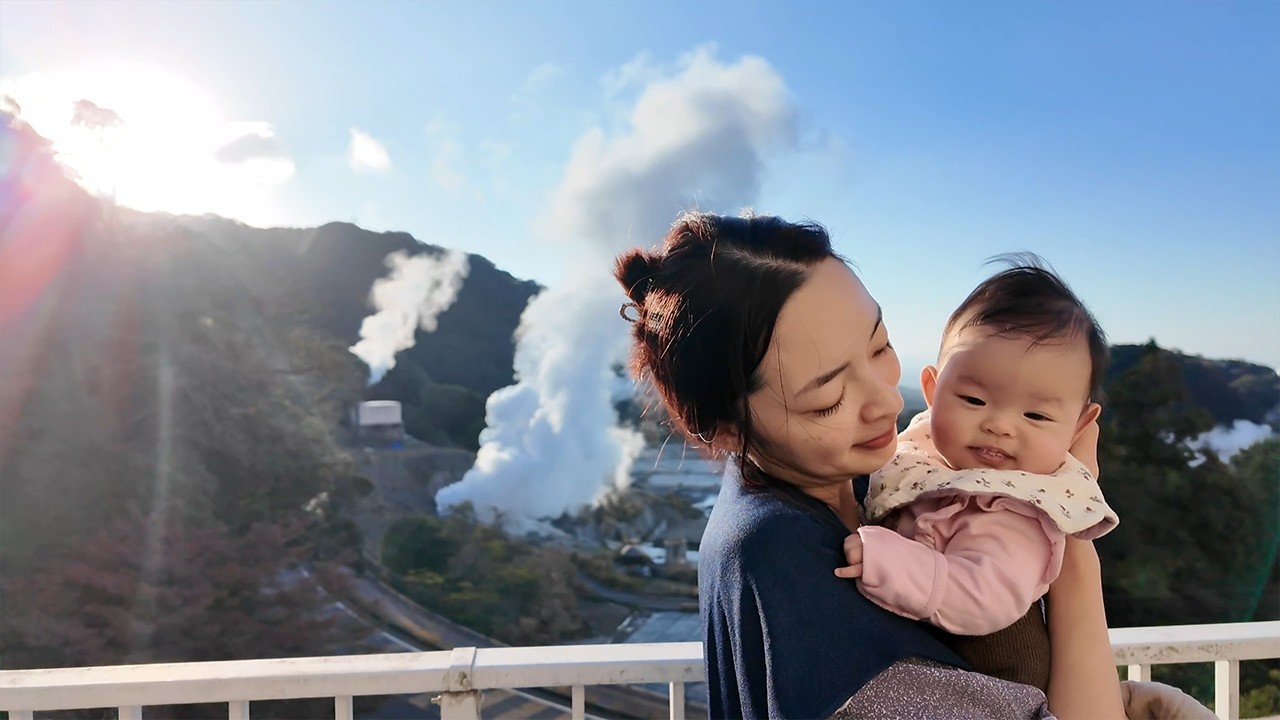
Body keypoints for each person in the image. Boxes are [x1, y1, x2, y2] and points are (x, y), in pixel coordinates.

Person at [613, 211, 1213, 720]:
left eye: (878, 347)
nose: (884, 400)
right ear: (723, 428)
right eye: (828, 398)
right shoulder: (784, 557)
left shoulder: (809, 486)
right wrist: (1074, 532)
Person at [834, 259, 1120, 692]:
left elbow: (985, 597)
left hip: (997, 688)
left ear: (1078, 428)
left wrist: (888, 562)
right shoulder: (922, 453)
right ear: (932, 391)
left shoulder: (1021, 509)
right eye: (972, 399)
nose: (1001, 425)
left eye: (1036, 414)